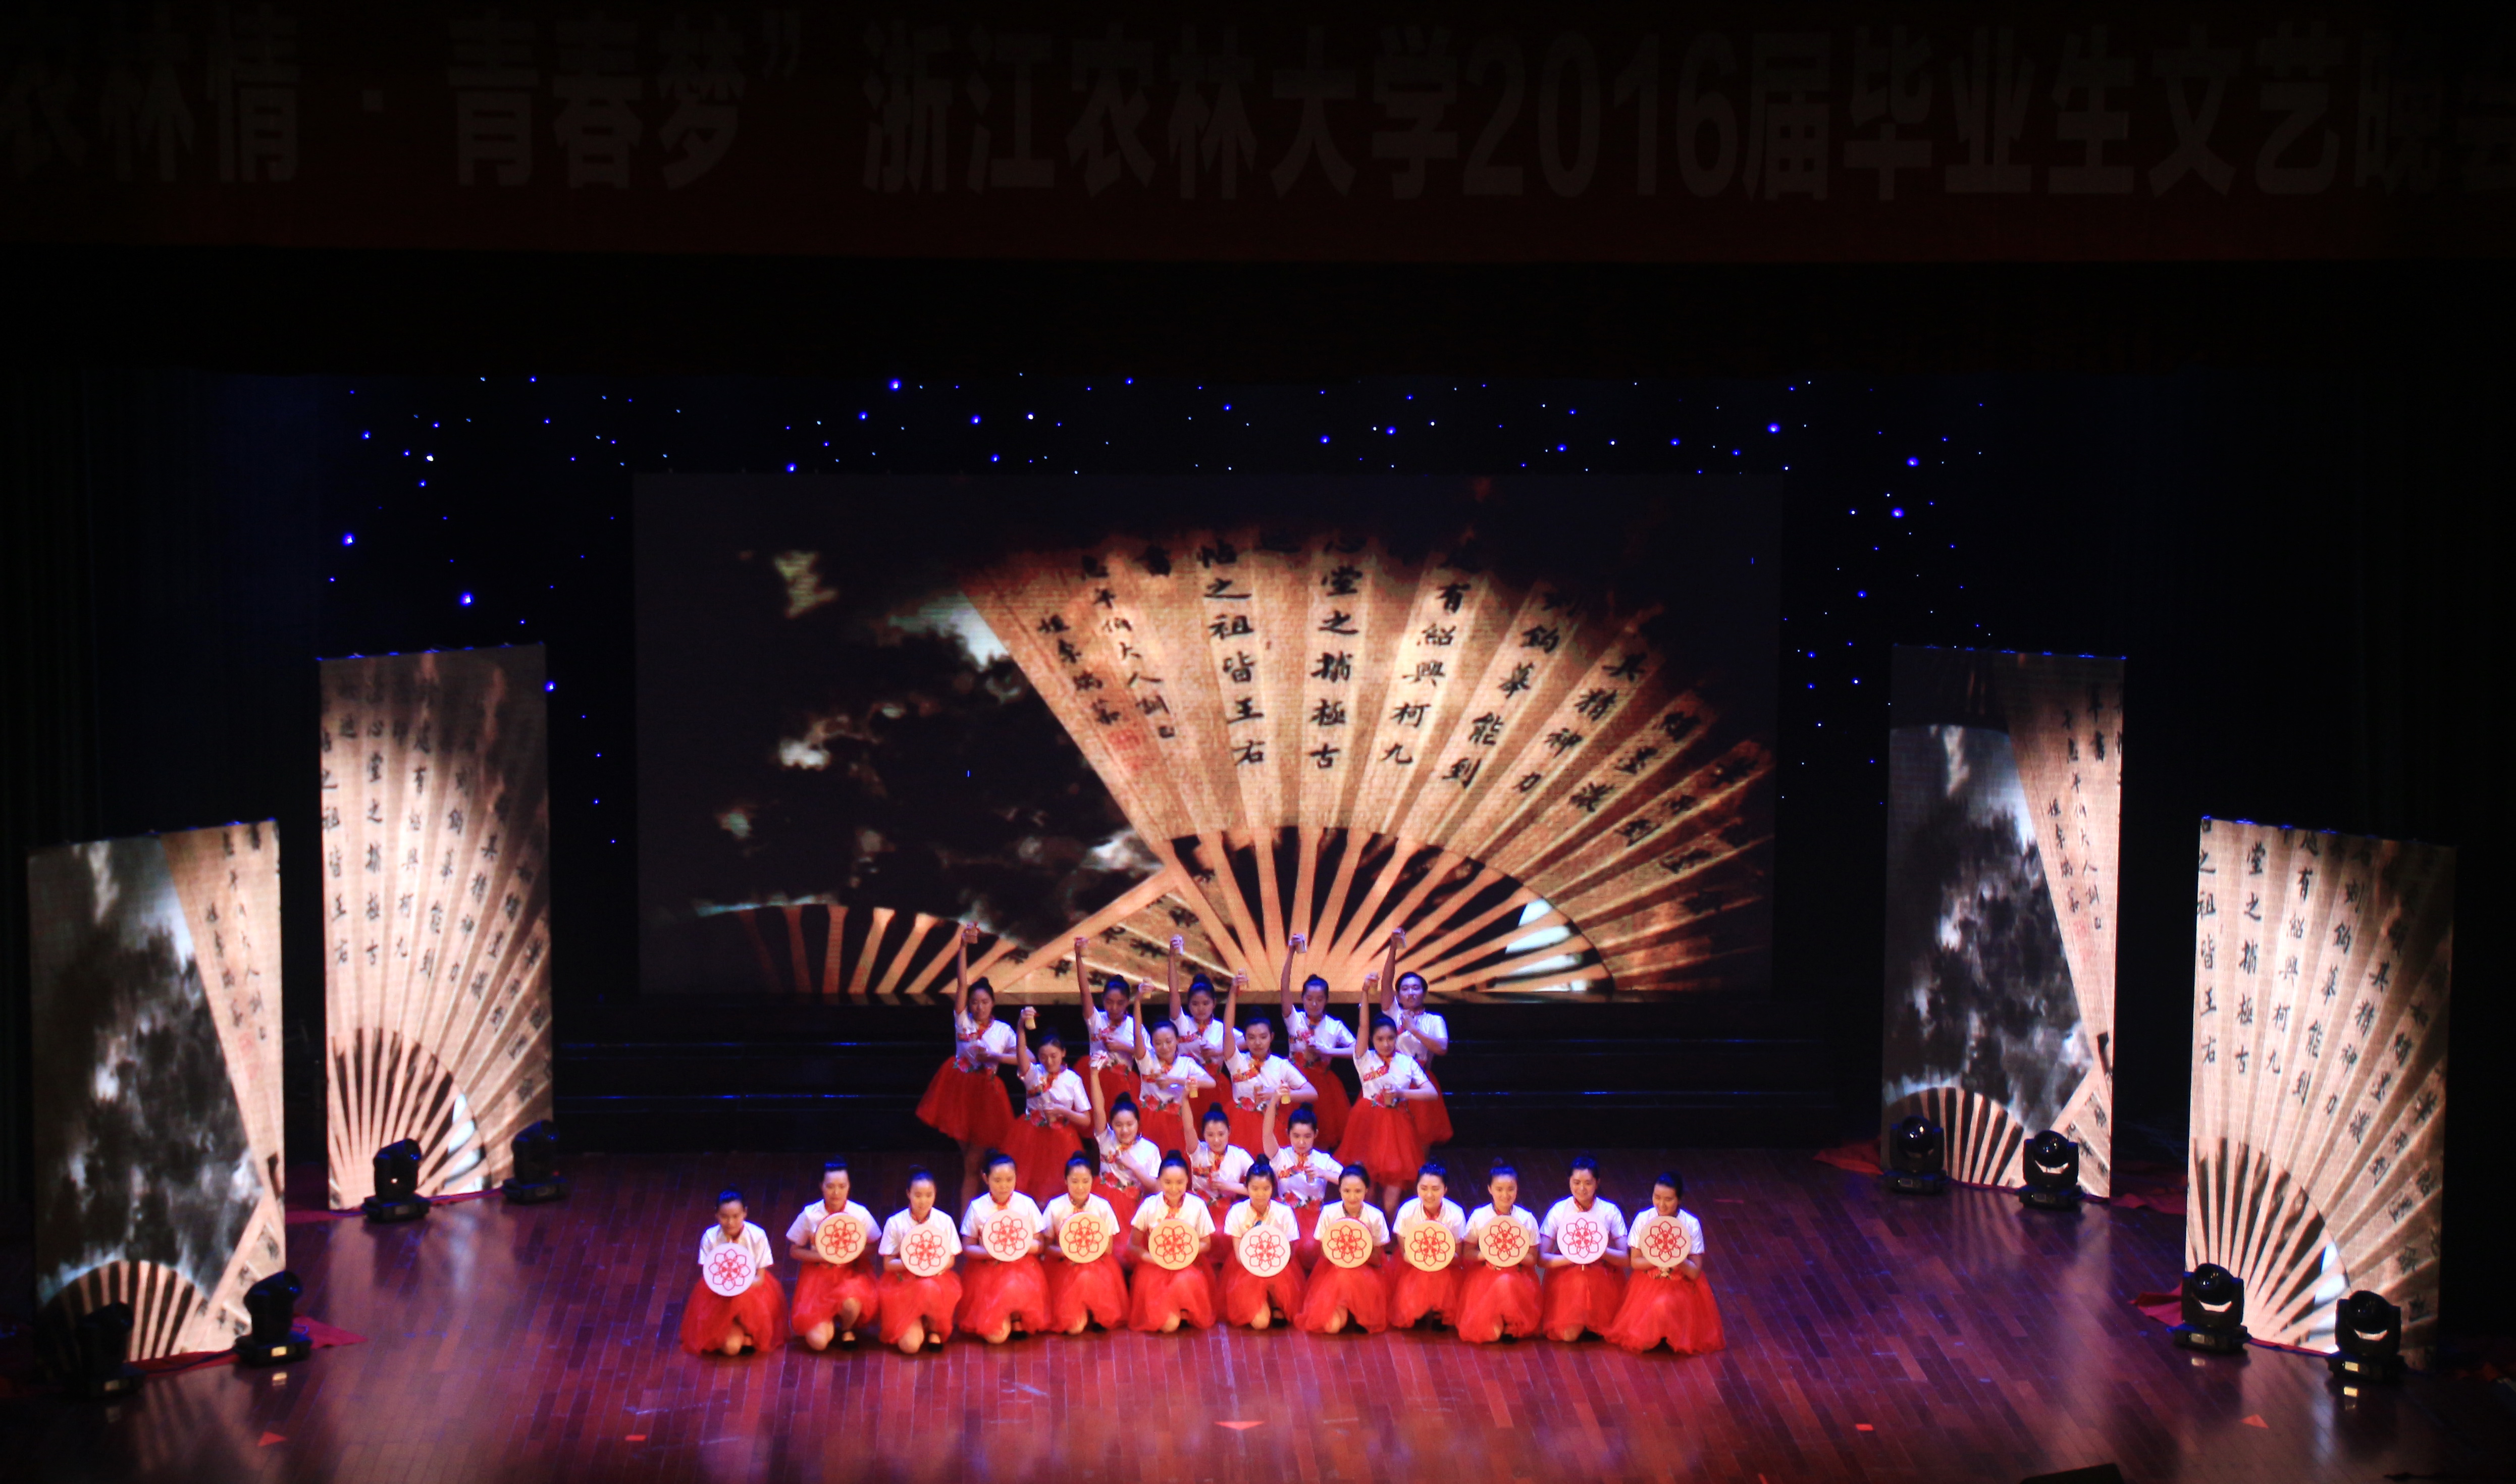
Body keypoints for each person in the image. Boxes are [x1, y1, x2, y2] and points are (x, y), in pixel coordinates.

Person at [913, 923, 1017, 1207]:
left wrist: (995, 1058)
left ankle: (974, 1220)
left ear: (993, 1003)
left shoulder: (1004, 1031)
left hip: (986, 1098)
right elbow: (961, 984)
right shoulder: (963, 1020)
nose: (979, 1007)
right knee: (971, 1162)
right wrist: (962, 947)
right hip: (957, 1093)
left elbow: (1028, 1058)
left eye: (984, 1002)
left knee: (973, 1163)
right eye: (974, 1003)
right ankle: (971, 1222)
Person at [1335, 974, 1438, 1216]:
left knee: (1392, 1201)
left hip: (1397, 1129)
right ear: (1372, 1040)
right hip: (1367, 1125)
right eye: (1380, 1039)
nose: (1386, 1043)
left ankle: (1390, 1234)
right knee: (1368, 1195)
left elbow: (1431, 1093)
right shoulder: (1364, 1058)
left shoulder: (1406, 1062)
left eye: (1391, 1038)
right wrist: (1364, 992)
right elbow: (1363, 1026)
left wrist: (1402, 1093)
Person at [1604, 1171, 1726, 1356]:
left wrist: (1676, 1257)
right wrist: (1659, 1257)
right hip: (1648, 1282)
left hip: (1680, 1282)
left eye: (1668, 1199)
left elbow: (1694, 1272)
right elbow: (1635, 1262)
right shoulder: (1644, 1218)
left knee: (1664, 1305)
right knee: (1643, 1340)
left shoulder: (1691, 1224)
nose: (1661, 1204)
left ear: (1680, 1199)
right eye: (1657, 1197)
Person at [679, 1189, 789, 1356]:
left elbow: (759, 1279)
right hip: (720, 1295)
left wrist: (738, 1287)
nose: (730, 1222)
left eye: (736, 1216)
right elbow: (710, 1278)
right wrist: (728, 1289)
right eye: (724, 1217)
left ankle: (748, 1334)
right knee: (731, 1348)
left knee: (750, 1316)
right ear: (716, 1215)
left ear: (745, 1213)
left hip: (753, 1290)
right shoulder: (710, 1237)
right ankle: (737, 1335)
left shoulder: (758, 1236)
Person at [785, 1160, 880, 1351]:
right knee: (818, 1343)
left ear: (849, 1186)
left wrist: (850, 1254)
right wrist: (825, 1257)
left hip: (851, 1273)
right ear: (821, 1186)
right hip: (818, 1278)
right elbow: (794, 1250)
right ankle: (826, 1323)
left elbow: (875, 1244)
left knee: (851, 1303)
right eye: (830, 1186)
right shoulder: (810, 1214)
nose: (836, 1193)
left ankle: (847, 1328)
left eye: (842, 1186)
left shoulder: (859, 1213)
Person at [956, 1151, 1050, 1345]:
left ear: (1016, 1177)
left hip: (1022, 1267)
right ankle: (1002, 1317)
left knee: (1016, 1284)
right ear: (986, 1178)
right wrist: (993, 1252)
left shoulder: (1026, 1204)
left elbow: (1039, 1245)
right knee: (996, 1337)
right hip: (988, 1268)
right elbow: (968, 1247)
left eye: (1009, 1179)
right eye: (997, 1180)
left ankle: (1016, 1316)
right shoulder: (977, 1207)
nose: (1004, 1186)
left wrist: (1015, 1249)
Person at [1222, 967, 1314, 1156]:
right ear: (1245, 1040)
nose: (1258, 1042)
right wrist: (1232, 994)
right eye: (1252, 1038)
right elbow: (1227, 1030)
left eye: (1263, 1037)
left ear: (1271, 1037)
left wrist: (1279, 1094)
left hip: (1272, 1127)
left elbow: (1312, 1093)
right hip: (1241, 1127)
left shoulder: (1281, 1065)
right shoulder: (1237, 1061)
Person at [1538, 1154, 1630, 1343]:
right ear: (1569, 1181)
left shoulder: (1610, 1211)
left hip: (1602, 1273)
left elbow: (1626, 1258)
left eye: (1588, 1183)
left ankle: (1592, 1322)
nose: (1582, 1188)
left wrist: (1599, 1251)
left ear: (1597, 1183)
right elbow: (1542, 1258)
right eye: (1576, 1182)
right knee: (1568, 1336)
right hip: (1567, 1272)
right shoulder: (1559, 1210)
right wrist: (1572, 1257)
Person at [1292, 1164, 1392, 1335]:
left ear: (1367, 1190)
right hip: (1335, 1268)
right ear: (1339, 1190)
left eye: (1358, 1191)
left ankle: (1360, 1310)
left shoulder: (1376, 1216)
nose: (1352, 1197)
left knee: (1364, 1313)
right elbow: (1325, 1252)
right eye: (1347, 1191)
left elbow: (1377, 1258)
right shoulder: (1329, 1212)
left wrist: (1357, 1251)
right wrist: (1343, 1254)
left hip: (1367, 1269)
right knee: (1332, 1327)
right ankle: (1343, 1307)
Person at [1003, 1007, 1089, 1203]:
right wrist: (1021, 1026)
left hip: (1061, 1138)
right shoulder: (1033, 1073)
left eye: (1054, 1056)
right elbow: (1020, 1051)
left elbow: (1086, 1119)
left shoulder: (1073, 1080)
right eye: (1043, 1057)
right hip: (1030, 1135)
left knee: (1057, 1189)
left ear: (1063, 1053)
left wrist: (1063, 1111)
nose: (1049, 1061)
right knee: (1025, 1188)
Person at [1126, 1153, 1220, 1334]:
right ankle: (1174, 1312)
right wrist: (1154, 1259)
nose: (1174, 1188)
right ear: (1159, 1181)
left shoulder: (1198, 1205)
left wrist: (1184, 1254)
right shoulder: (1149, 1206)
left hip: (1189, 1265)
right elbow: (1133, 1246)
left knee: (1186, 1280)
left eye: (1180, 1182)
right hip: (1156, 1267)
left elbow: (1206, 1244)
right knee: (1169, 1326)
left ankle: (1184, 1309)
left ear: (1188, 1181)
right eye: (1168, 1182)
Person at [876, 1168, 965, 1355]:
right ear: (908, 1194)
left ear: (935, 1194)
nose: (923, 1201)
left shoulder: (944, 1221)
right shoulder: (895, 1222)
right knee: (910, 1347)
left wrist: (931, 1269)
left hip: (936, 1280)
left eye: (929, 1195)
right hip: (904, 1284)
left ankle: (933, 1328)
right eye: (918, 1195)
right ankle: (916, 1320)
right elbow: (888, 1264)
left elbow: (951, 1259)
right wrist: (914, 1265)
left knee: (929, 1287)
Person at [1380, 929, 1454, 1150]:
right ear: (1399, 995)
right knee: (1391, 1135)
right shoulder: (1393, 1013)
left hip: (1420, 1080)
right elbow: (1386, 982)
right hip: (1393, 1078)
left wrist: (1414, 1029)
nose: (1411, 993)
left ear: (1424, 993)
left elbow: (1442, 1048)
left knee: (1422, 1135)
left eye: (1416, 988)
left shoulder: (1434, 1020)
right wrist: (1393, 947)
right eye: (1405, 989)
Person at [1278, 935, 1354, 1148]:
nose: (1314, 1004)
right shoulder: (1295, 1019)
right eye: (1309, 999)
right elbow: (1284, 989)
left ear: (1327, 1000)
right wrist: (1291, 953)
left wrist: (1327, 1051)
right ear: (1302, 998)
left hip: (1323, 1086)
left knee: (1322, 1134)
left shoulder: (1334, 1026)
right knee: (1289, 1133)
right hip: (1295, 1081)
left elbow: (1357, 1050)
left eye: (1320, 999)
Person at [1455, 1162, 1543, 1344]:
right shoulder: (1479, 1216)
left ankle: (1511, 1321)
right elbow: (1468, 1252)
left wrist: (1511, 1256)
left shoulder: (1526, 1219)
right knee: (1492, 1334)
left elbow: (1532, 1259)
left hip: (1518, 1275)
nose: (1505, 1195)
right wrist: (1490, 1255)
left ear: (1517, 1189)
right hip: (1486, 1273)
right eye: (1499, 1189)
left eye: (1511, 1189)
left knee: (1506, 1282)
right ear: (1490, 1189)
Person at [1040, 1154, 1129, 1334]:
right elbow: (1046, 1247)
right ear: (1065, 1181)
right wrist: (1067, 1253)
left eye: (1086, 1181)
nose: (1080, 1187)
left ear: (1092, 1181)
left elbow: (1108, 1248)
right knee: (1075, 1328)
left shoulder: (1102, 1207)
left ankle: (1094, 1310)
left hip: (1098, 1264)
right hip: (1064, 1265)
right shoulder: (1055, 1207)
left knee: (1090, 1284)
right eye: (1075, 1181)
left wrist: (1086, 1254)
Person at [1217, 1165, 1306, 1330]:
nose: (1260, 1194)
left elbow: (1289, 1253)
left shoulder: (1285, 1212)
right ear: (1247, 1188)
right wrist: (1259, 1267)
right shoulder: (1236, 1212)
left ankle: (1276, 1302)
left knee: (1281, 1292)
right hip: (1246, 1268)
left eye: (1266, 1189)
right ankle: (1261, 1302)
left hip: (1280, 1268)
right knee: (1261, 1323)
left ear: (1273, 1188)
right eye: (1255, 1188)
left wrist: (1271, 1266)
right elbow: (1239, 1256)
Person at [1262, 1100, 1344, 1273]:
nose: (1301, 1142)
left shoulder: (1323, 1160)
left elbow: (1349, 1179)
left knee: (1311, 1246)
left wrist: (1323, 1173)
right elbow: (1267, 1133)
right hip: (1284, 1215)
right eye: (1296, 1136)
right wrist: (1274, 1100)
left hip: (1314, 1219)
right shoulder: (1280, 1156)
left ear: (1316, 1134)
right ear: (1288, 1134)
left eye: (1307, 1136)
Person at [1387, 1161, 1467, 1331]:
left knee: (1441, 1276)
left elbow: (1458, 1258)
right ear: (1417, 1189)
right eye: (1424, 1188)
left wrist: (1438, 1258)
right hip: (1414, 1264)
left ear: (1445, 1190)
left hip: (1446, 1266)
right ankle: (1419, 1309)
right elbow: (1406, 1255)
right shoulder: (1407, 1211)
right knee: (1418, 1286)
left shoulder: (1456, 1214)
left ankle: (1440, 1311)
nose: (1429, 1195)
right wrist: (1426, 1259)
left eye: (1436, 1189)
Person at [1085, 1057, 1162, 1234]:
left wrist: (1134, 1166)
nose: (1125, 1130)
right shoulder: (1106, 1138)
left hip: (1133, 1208)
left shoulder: (1150, 1149)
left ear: (1138, 1124)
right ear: (1112, 1125)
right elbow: (1099, 1110)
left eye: (1130, 1124)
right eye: (1119, 1125)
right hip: (1104, 1201)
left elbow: (1157, 1188)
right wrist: (1094, 1074)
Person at [1074, 937, 1144, 1106]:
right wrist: (1079, 958)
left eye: (1120, 1003)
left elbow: (1149, 1057)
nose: (1114, 1008)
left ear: (1127, 1002)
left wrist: (1124, 1047)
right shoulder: (1096, 1020)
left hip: (1122, 1086)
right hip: (1096, 1081)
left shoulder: (1134, 1026)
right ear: (1103, 999)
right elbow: (1085, 994)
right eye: (1109, 1002)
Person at [1133, 1019, 1214, 1163]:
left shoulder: (1186, 1063)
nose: (1164, 1047)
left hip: (1176, 1121)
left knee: (1178, 1160)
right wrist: (1137, 1005)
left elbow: (1211, 1083)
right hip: (1149, 1118)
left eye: (1169, 1041)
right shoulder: (1147, 1059)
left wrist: (1175, 1080)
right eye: (1158, 1043)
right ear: (1152, 1044)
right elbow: (1138, 1034)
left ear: (1177, 1040)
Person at [1166, 937, 1240, 1090]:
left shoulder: (1221, 1028)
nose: (1201, 1008)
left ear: (1214, 1003)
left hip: (1214, 1088)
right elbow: (1174, 993)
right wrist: (1172, 957)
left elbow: (1245, 1040)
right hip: (1184, 1087)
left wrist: (1219, 1051)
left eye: (1206, 1003)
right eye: (1195, 1004)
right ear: (1188, 1004)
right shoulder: (1182, 1022)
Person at [1187, 1102, 1253, 1237]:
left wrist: (1228, 1186)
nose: (1216, 1140)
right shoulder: (1198, 1151)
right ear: (1203, 1134)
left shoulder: (1239, 1155)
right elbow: (1188, 1129)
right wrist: (1184, 1099)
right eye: (1210, 1135)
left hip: (1227, 1212)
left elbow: (1259, 1186)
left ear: (1229, 1131)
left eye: (1221, 1134)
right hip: (1198, 1209)